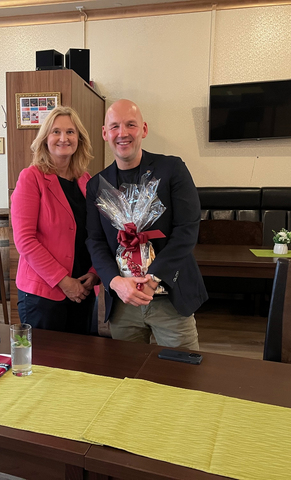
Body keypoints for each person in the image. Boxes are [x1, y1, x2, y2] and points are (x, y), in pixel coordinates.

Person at [85, 99, 207, 349]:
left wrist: (153, 279)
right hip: (123, 302)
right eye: (115, 126)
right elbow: (95, 240)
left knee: (181, 370)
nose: (122, 133)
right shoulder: (96, 185)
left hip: (170, 299)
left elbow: (187, 230)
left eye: (131, 124)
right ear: (105, 133)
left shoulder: (172, 169)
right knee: (128, 370)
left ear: (144, 129)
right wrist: (114, 282)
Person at [11, 106, 100, 334]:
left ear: (79, 139)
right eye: (56, 132)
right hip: (43, 295)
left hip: (83, 289)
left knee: (81, 355)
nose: (63, 138)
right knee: (45, 357)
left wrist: (94, 272)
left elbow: (96, 232)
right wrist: (64, 281)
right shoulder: (31, 178)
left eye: (70, 132)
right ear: (45, 139)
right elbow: (25, 240)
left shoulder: (86, 180)